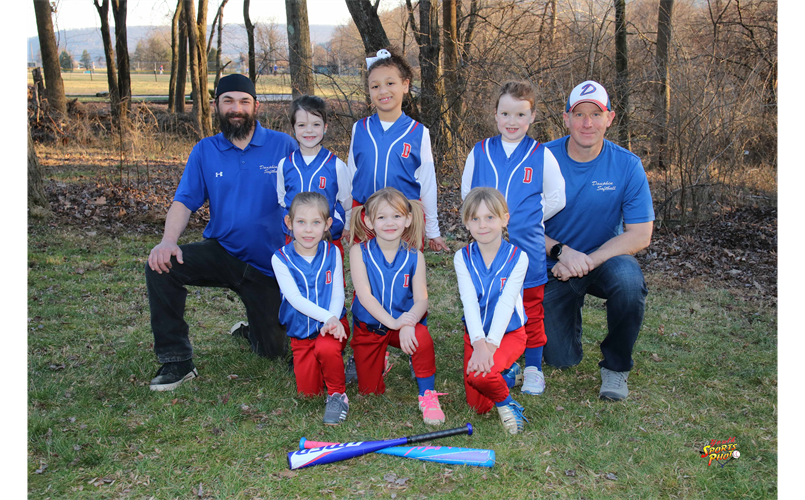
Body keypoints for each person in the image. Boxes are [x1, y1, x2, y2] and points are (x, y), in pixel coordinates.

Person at [145, 73, 298, 391]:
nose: (236, 108)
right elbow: (184, 201)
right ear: (217, 106)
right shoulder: (205, 151)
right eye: (228, 101)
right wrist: (167, 242)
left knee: (271, 351)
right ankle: (177, 362)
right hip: (223, 252)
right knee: (161, 265)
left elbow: (306, 194)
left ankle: (253, 329)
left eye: (243, 101)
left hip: (270, 265)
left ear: (256, 105)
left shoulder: (282, 145)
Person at [542, 80, 654, 401]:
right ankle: (564, 323)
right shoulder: (542, 159)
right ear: (566, 118)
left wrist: (587, 260)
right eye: (579, 114)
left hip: (604, 261)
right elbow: (519, 226)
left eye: (596, 114)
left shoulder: (627, 165)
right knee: (560, 359)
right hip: (555, 265)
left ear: (610, 118)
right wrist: (561, 253)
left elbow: (640, 234)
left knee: (629, 281)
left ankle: (616, 368)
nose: (587, 123)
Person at [461, 81, 566, 397]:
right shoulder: (480, 151)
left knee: (531, 310)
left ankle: (533, 367)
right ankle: (502, 360)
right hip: (487, 253)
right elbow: (468, 195)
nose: (512, 121)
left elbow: (557, 197)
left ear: (532, 116)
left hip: (528, 249)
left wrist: (530, 217)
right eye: (505, 113)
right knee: (488, 306)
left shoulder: (541, 154)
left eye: (520, 114)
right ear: (495, 115)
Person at [349, 187, 446, 426]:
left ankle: (427, 395)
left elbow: (422, 299)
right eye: (381, 217)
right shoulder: (357, 252)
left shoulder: (415, 256)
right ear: (369, 221)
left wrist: (408, 322)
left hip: (404, 328)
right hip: (370, 328)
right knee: (369, 392)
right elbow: (364, 296)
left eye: (396, 216)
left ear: (408, 219)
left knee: (421, 337)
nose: (389, 223)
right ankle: (380, 359)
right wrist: (394, 323)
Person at [347, 48, 450, 253]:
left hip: (405, 219)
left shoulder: (419, 133)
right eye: (375, 86)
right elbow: (351, 177)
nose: (383, 91)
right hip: (366, 218)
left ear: (405, 85)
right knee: (367, 276)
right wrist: (348, 220)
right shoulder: (360, 128)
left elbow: (427, 184)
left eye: (390, 83)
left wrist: (432, 230)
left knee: (405, 278)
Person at [455, 188, 530, 434]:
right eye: (475, 218)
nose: (482, 225)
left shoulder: (519, 258)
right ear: (466, 222)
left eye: (490, 217)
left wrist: (491, 347)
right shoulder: (461, 257)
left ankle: (508, 404)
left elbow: (507, 304)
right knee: (478, 405)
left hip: (507, 334)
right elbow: (469, 302)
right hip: (476, 337)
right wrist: (478, 343)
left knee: (480, 378)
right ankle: (508, 376)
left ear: (505, 219)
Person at [273, 192, 350, 425]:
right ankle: (328, 367)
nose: (308, 230)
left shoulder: (333, 252)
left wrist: (334, 320)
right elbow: (295, 298)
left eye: (316, 223)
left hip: (333, 326)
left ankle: (338, 394)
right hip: (301, 332)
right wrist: (327, 316)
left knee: (327, 349)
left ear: (327, 225)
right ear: (289, 223)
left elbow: (338, 293)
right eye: (301, 222)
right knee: (308, 393)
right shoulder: (280, 259)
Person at [277, 95, 352, 265]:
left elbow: (347, 203)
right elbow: (282, 199)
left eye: (316, 124)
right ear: (293, 129)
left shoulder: (337, 166)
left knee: (330, 285)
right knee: (298, 284)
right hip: (294, 239)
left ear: (325, 128)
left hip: (328, 239)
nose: (309, 130)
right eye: (302, 125)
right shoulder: (285, 165)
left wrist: (346, 226)